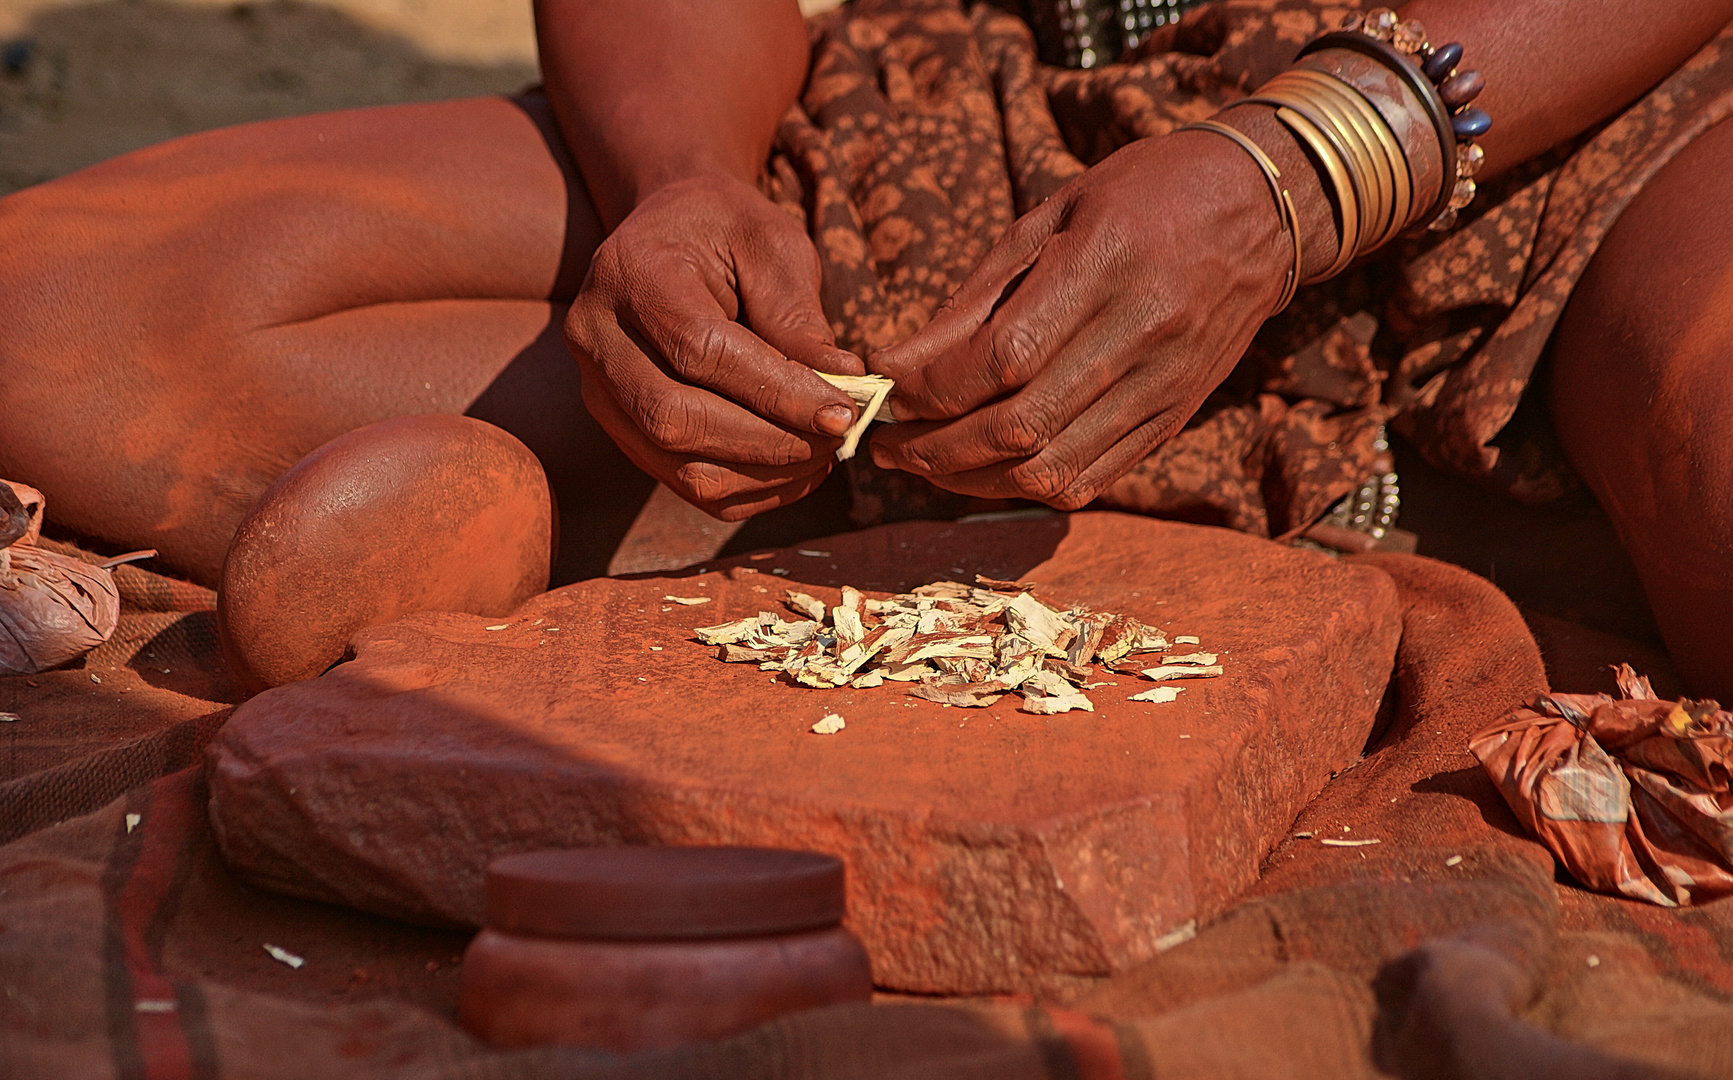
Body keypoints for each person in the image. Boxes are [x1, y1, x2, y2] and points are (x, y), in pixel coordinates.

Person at [0, 0, 1730, 697]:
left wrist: (1288, 175)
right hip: (992, 118)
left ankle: (1486, 492)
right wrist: (678, 186)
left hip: (1542, 94)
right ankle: (899, 483)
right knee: (61, 324)